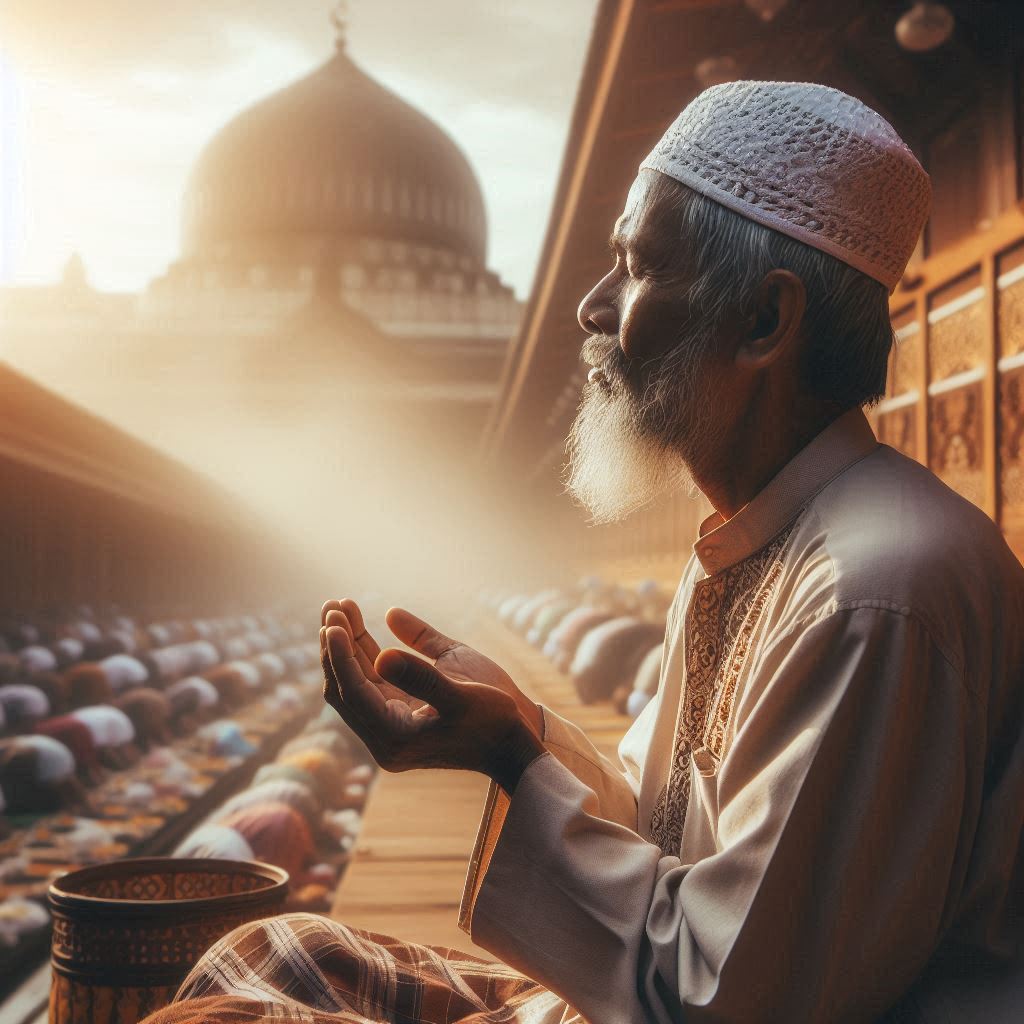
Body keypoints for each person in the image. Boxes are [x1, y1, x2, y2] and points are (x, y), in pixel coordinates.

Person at [144, 82, 1024, 1023]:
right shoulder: (764, 536)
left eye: (639, 267)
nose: (592, 307)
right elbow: (664, 839)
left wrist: (515, 766)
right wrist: (515, 730)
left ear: (766, 322)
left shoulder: (871, 593)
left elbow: (720, 1000)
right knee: (275, 949)